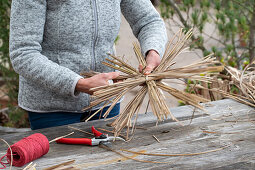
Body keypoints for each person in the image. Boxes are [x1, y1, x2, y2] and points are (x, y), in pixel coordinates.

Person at [9, 0, 167, 130]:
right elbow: (23, 53)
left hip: (107, 100)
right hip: (52, 107)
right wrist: (77, 83)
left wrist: (153, 50)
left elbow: (148, 21)